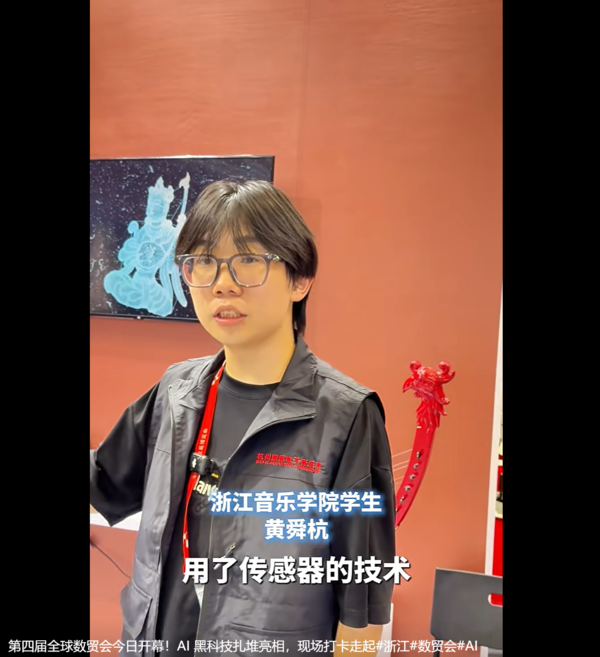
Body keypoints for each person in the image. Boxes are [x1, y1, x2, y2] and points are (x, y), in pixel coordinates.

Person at [90, 180, 396, 657]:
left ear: (300, 279)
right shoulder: (176, 391)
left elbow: (362, 612)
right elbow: (104, 482)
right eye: (202, 262)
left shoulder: (346, 416)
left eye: (249, 260)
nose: (222, 283)